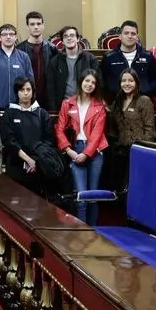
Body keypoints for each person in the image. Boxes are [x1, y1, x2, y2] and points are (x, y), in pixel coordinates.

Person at [55, 70, 108, 225]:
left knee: (93, 196)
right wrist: (69, 150)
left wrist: (86, 154)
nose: (89, 85)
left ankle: (93, 234)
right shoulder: (68, 103)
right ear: (80, 82)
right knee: (81, 197)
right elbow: (59, 129)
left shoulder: (99, 105)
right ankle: (82, 234)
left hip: (95, 152)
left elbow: (98, 134)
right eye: (87, 81)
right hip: (74, 150)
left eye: (93, 82)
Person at [0, 24, 34, 174]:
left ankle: (17, 177)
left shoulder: (23, 57)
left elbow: (30, 83)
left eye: (11, 34)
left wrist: (27, 105)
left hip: (19, 109)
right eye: (5, 34)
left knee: (19, 145)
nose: (8, 37)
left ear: (16, 36)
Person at [0, 77, 54, 194]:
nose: (25, 93)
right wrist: (28, 159)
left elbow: (49, 140)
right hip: (16, 165)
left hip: (39, 166)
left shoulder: (42, 114)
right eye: (22, 90)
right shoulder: (9, 113)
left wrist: (35, 160)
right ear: (16, 92)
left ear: (33, 91)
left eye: (28, 89)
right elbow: (8, 140)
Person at [108, 69, 156, 190]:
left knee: (134, 186)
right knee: (119, 187)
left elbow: (149, 129)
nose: (127, 83)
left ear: (136, 83)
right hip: (121, 152)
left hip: (138, 150)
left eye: (130, 80)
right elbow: (113, 127)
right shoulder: (117, 102)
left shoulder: (143, 100)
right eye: (124, 81)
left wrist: (143, 150)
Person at [100, 20, 156, 99]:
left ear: (137, 37)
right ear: (120, 36)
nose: (130, 36)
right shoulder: (109, 57)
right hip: (116, 101)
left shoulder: (147, 56)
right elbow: (102, 80)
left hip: (141, 100)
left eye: (133, 34)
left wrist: (146, 91)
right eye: (126, 33)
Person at [46, 25, 99, 112]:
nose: (69, 38)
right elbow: (50, 89)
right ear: (62, 41)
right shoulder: (54, 61)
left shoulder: (90, 59)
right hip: (63, 106)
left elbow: (98, 83)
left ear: (78, 39)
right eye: (65, 36)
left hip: (86, 105)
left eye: (72, 35)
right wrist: (53, 110)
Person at [17, 11, 57, 108]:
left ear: (43, 25)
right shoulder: (19, 49)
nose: (36, 27)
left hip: (48, 97)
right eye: (32, 24)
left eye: (39, 24)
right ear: (27, 27)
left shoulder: (52, 49)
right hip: (26, 97)